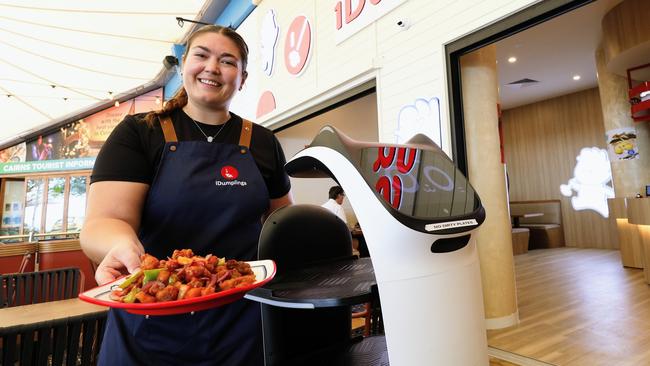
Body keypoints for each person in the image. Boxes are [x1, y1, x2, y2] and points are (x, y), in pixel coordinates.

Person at [80, 25, 293, 365]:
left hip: (242, 323)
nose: (212, 67)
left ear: (242, 78)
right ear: (182, 67)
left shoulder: (263, 141)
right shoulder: (140, 132)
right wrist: (122, 247)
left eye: (227, 61)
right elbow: (104, 222)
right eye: (201, 55)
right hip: (149, 318)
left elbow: (281, 222)